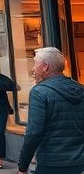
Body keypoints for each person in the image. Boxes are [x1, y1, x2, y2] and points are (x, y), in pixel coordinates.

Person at [16, 46, 84, 174]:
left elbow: (34, 133)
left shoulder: (39, 92)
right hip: (79, 162)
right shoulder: (81, 89)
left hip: (52, 162)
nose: (33, 68)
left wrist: (22, 166)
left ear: (45, 67)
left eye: (35, 63)